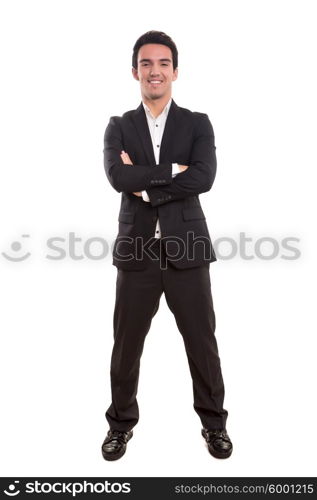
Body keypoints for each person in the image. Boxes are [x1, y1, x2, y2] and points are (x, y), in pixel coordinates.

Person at [101, 30, 232, 461]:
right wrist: (172, 170)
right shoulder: (119, 126)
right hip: (137, 252)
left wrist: (147, 184)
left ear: (175, 70)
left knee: (202, 343)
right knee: (126, 346)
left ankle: (214, 425)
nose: (154, 71)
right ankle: (120, 426)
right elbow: (118, 178)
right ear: (134, 71)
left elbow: (204, 177)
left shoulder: (197, 123)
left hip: (188, 250)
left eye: (162, 63)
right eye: (145, 64)